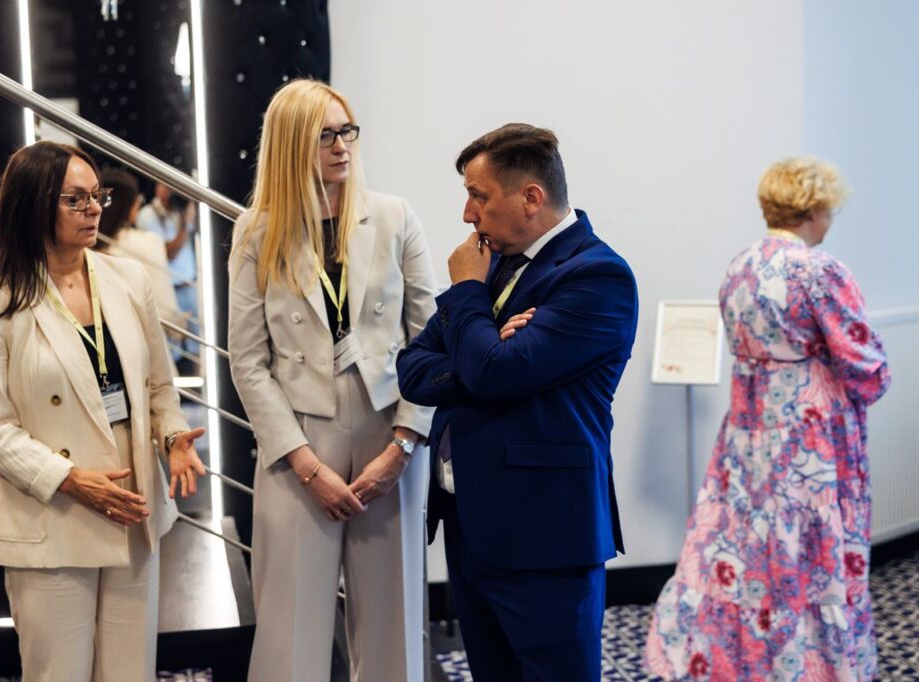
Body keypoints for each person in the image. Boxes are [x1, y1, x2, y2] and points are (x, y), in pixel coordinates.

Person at [397, 123, 639, 681]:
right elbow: (412, 370)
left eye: (478, 196)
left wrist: (468, 299)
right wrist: (487, 350)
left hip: (546, 535)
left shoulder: (597, 276)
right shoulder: (496, 263)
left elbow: (494, 373)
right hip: (470, 526)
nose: (467, 215)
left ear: (531, 197)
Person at [0, 141, 206, 682]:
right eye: (76, 199)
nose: (94, 209)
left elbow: (157, 386)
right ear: (33, 203)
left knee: (131, 672)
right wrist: (70, 479)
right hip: (53, 514)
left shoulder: (129, 279)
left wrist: (172, 437)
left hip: (131, 506)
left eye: (98, 196)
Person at [645, 157, 890, 680]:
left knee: (750, 546)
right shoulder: (819, 270)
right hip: (809, 441)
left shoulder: (740, 266)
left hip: (747, 434)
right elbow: (863, 362)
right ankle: (812, 666)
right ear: (815, 207)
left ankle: (746, 661)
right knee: (810, 550)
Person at [227, 79, 437, 682]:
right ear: (291, 143)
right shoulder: (257, 230)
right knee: (289, 630)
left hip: (389, 432)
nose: (342, 146)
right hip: (298, 441)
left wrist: (404, 445)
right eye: (325, 136)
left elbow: (430, 341)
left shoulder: (393, 217)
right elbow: (248, 360)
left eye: (347, 131)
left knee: (394, 624)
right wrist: (305, 464)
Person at [95, 168, 186, 343]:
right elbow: (164, 304)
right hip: (140, 340)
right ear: (128, 204)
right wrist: (178, 330)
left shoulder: (83, 247)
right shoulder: (148, 243)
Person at [137, 181, 198, 368]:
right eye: (165, 186)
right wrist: (185, 224)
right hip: (167, 290)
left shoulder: (177, 212)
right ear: (157, 188)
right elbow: (169, 252)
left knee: (198, 343)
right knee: (171, 347)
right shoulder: (147, 215)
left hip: (188, 285)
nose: (169, 191)